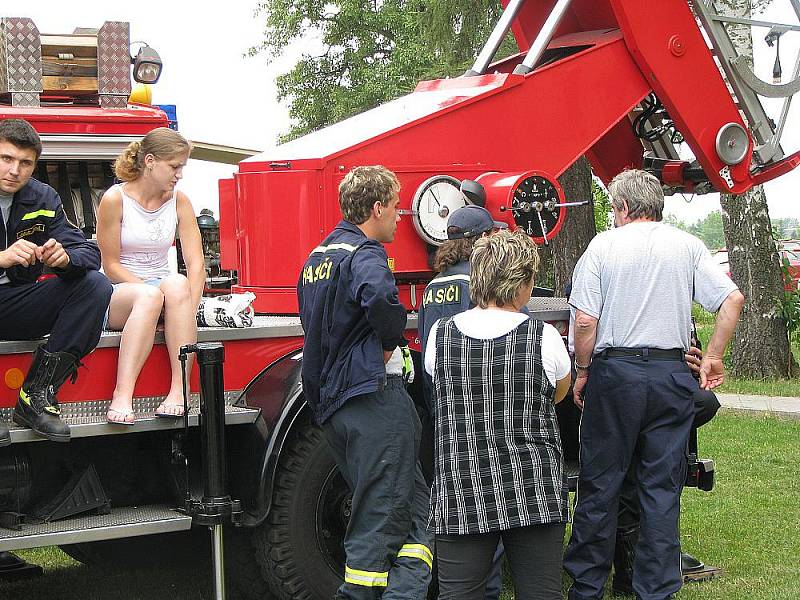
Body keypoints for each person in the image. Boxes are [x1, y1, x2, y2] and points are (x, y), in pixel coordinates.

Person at [564, 169, 744, 600]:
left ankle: (587, 586)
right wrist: (714, 356)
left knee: (600, 483)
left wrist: (584, 370)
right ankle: (656, 589)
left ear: (623, 208)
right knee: (661, 488)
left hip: (616, 372)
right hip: (669, 375)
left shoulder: (603, 246)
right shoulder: (687, 245)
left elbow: (585, 320)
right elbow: (732, 299)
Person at [297, 165, 432, 599]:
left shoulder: (318, 256)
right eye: (395, 206)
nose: (400, 215)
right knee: (378, 517)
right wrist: (391, 339)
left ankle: (407, 591)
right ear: (376, 208)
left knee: (411, 513)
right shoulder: (366, 253)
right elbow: (379, 299)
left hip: (335, 403)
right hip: (375, 400)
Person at [425, 229, 572, 600]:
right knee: (541, 594)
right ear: (522, 283)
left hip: (462, 482)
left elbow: (438, 387)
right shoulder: (543, 337)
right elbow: (558, 392)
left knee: (459, 595)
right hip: (532, 485)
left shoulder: (439, 337)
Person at [0, 118, 112, 442]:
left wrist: (65, 258)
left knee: (95, 284)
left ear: (34, 165)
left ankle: (36, 396)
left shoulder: (44, 197)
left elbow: (90, 253)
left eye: (25, 163)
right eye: (6, 159)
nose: (14, 170)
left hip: (18, 304)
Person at [96, 128, 205, 424]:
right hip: (120, 292)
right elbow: (110, 265)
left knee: (178, 282)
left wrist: (187, 312)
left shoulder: (180, 201)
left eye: (182, 166)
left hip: (163, 291)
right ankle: (122, 393)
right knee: (151, 295)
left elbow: (196, 265)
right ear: (150, 161)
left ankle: (180, 390)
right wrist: (155, 298)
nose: (179, 174)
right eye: (174, 166)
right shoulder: (114, 199)